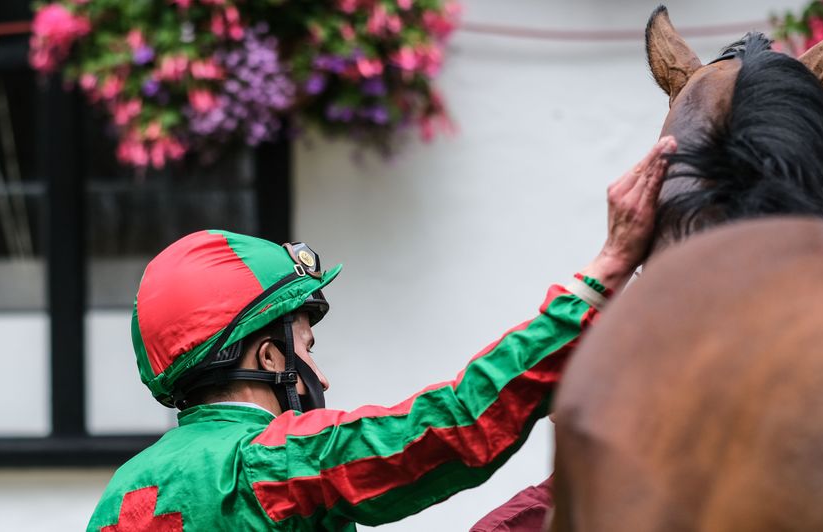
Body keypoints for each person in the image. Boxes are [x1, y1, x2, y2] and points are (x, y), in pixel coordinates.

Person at [87, 136, 677, 531]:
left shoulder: (120, 492)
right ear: (270, 357)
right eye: (308, 348)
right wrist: (608, 269)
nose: (321, 373)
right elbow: (456, 427)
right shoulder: (268, 466)